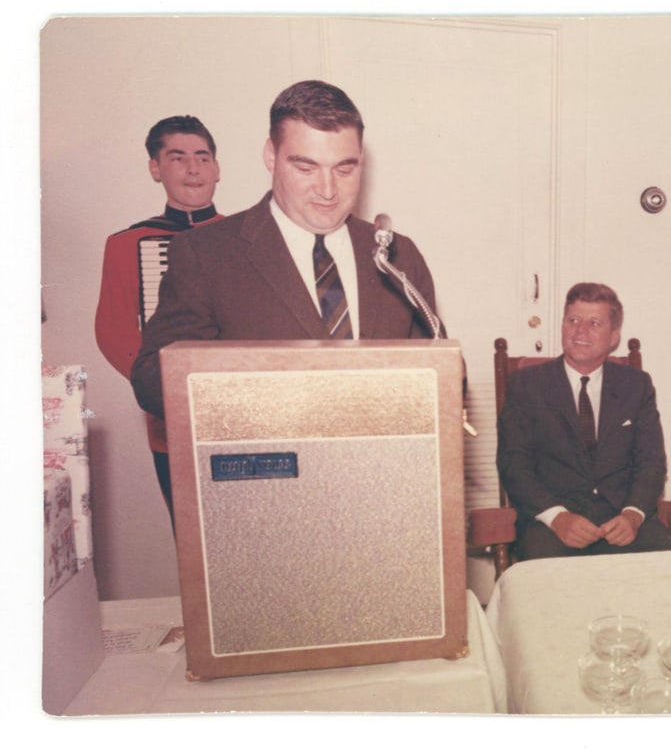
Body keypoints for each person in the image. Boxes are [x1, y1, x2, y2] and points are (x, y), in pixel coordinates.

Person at [130, 80, 439, 477]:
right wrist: (275, 391)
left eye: (345, 168)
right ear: (271, 155)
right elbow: (152, 378)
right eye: (305, 166)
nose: (328, 190)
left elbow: (440, 368)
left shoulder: (397, 254)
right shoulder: (206, 253)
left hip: (383, 476)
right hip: (267, 487)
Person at [497, 282, 671, 560]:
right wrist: (557, 517)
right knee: (543, 583)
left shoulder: (636, 386)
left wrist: (633, 516)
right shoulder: (527, 385)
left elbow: (651, 462)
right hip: (552, 524)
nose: (580, 331)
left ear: (613, 337)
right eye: (573, 320)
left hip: (621, 519)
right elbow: (514, 464)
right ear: (562, 326)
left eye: (594, 323)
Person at [94, 115, 223, 519]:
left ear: (217, 169)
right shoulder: (127, 244)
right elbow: (113, 332)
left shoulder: (246, 238)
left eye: (203, 157)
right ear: (156, 169)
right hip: (171, 417)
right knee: (189, 533)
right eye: (177, 157)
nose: (193, 168)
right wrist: (161, 387)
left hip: (237, 411)